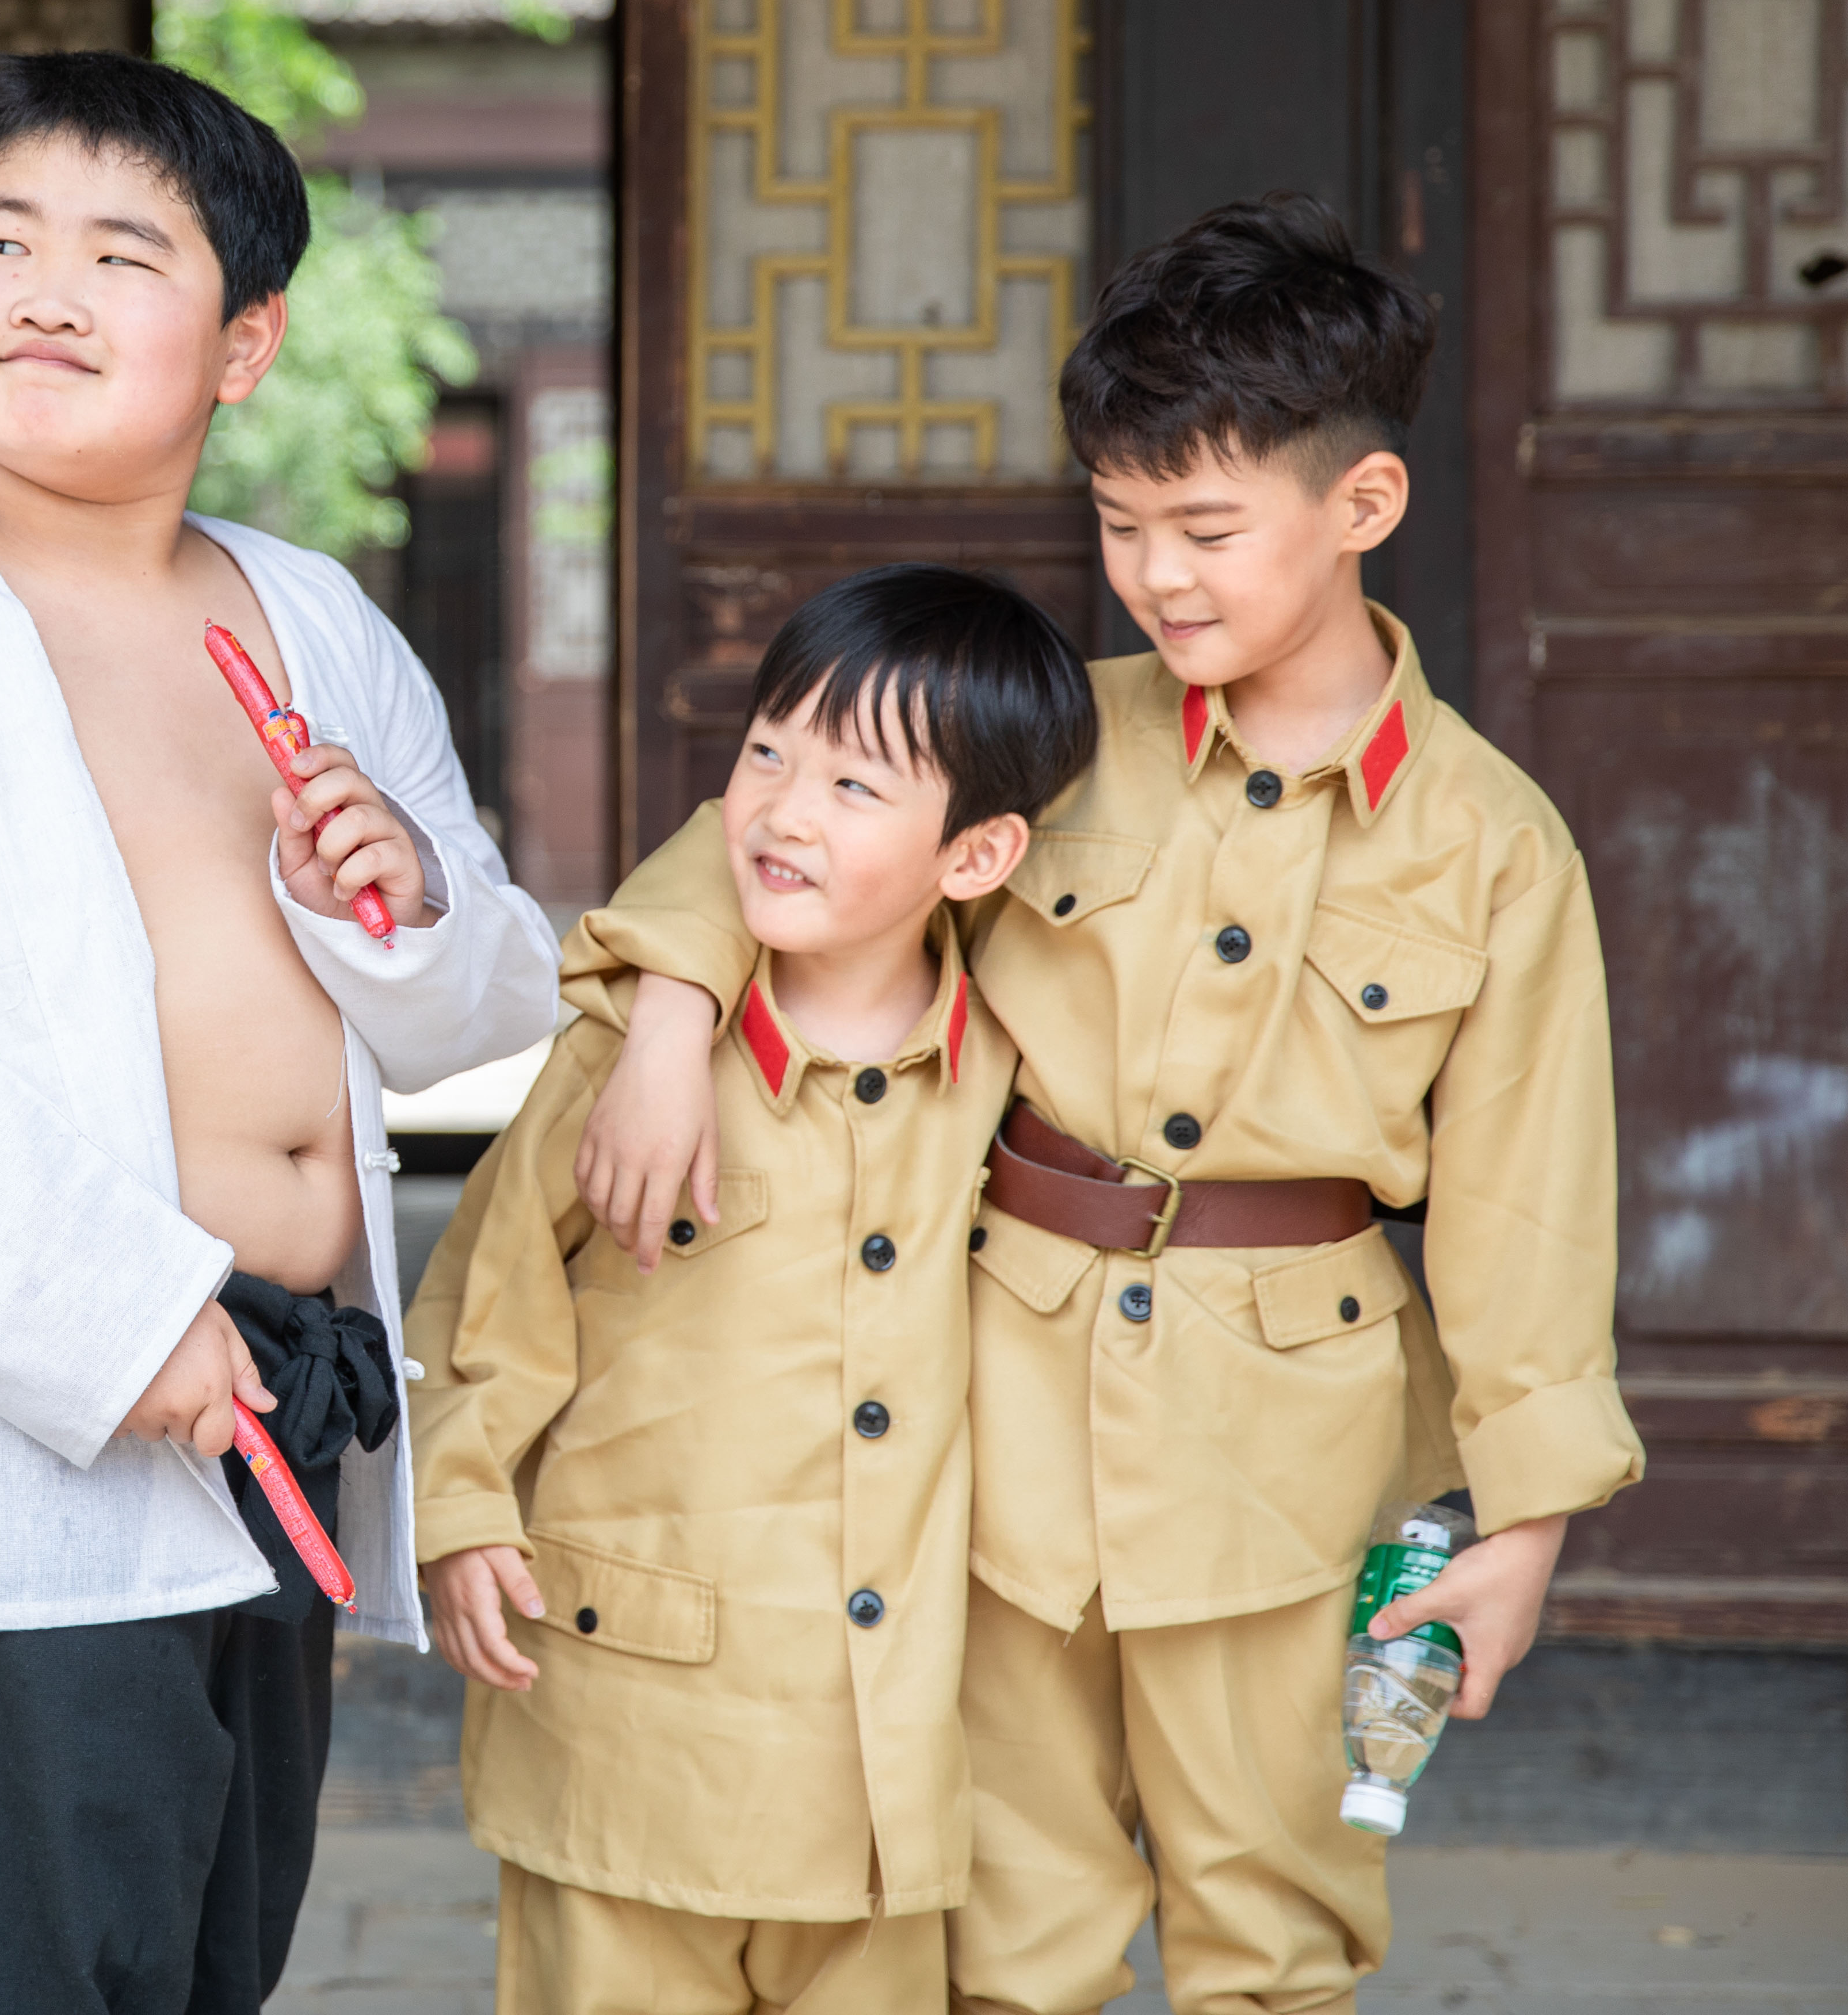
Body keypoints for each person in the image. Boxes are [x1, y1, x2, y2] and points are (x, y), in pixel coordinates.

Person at [581, 196, 1645, 2015]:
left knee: (1276, 1927)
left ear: (1362, 507)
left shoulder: (1492, 845)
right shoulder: (1056, 739)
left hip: (1292, 1453)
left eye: (1207, 529)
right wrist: (673, 1009)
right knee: (1006, 1920)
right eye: (1120, 521)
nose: (1157, 573)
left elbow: (1528, 1204)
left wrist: (1524, 1530)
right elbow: (782, 835)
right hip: (980, 1401)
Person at [0, 52, 564, 2014]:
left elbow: (494, 995)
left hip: (288, 1416)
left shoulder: (315, 616)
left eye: (119, 252)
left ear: (244, 346)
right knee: (45, 1976)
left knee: (211, 1959)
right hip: (51, 1420)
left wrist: (404, 897)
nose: (44, 291)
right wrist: (122, 1323)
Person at [407, 565, 1094, 2015]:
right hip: (632, 1724)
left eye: (859, 786)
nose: (784, 808)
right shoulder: (629, 1055)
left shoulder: (1014, 1066)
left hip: (877, 1772)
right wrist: (458, 1512)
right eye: (769, 751)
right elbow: (493, 1290)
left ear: (975, 858)